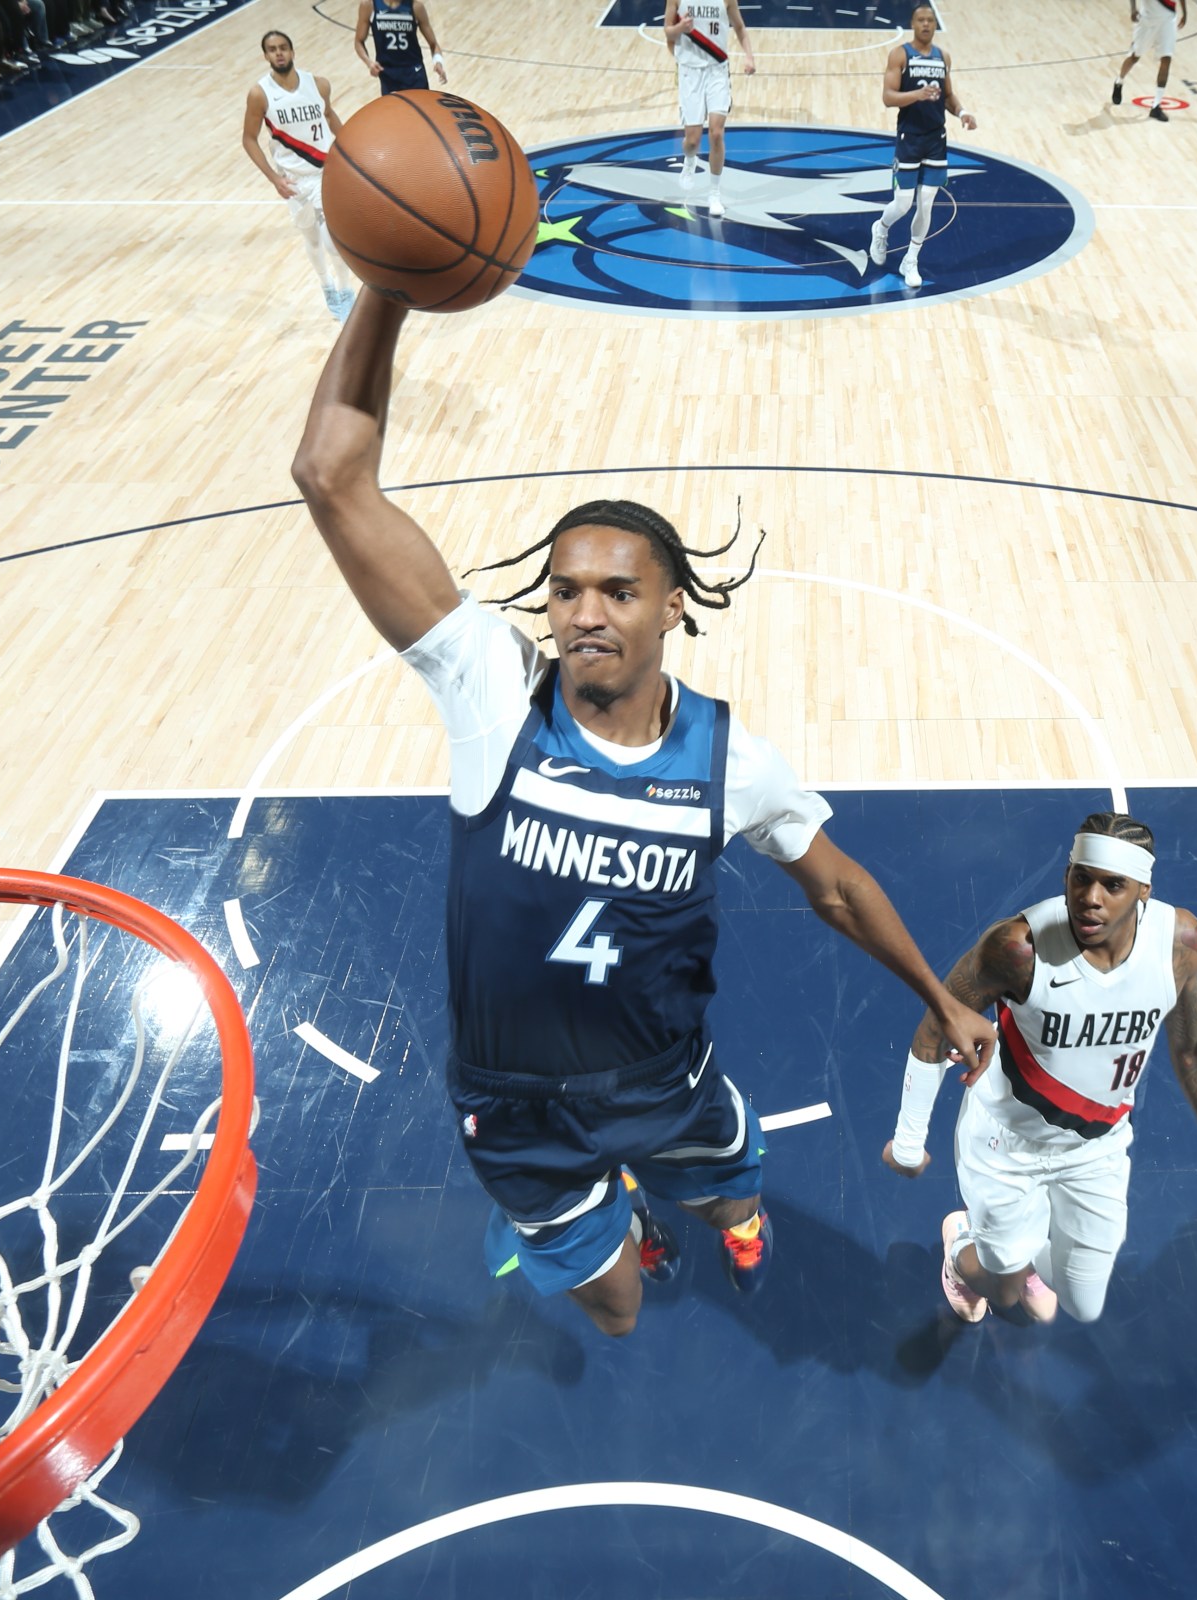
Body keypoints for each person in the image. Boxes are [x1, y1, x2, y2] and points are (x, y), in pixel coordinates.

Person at [289, 297, 998, 1340]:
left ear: (673, 607)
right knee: (618, 1309)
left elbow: (840, 888)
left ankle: (727, 1219)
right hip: (513, 1097)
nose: (585, 613)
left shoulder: (729, 760)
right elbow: (329, 477)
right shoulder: (493, 694)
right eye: (566, 591)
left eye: (619, 592)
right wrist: (388, 288)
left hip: (661, 1075)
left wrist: (939, 997)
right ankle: (618, 1215)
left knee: (730, 1200)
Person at [881, 813, 1197, 1327]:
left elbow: (1193, 1050)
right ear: (1067, 875)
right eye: (1081, 878)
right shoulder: (1017, 950)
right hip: (1005, 1145)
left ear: (1143, 890)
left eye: (1112, 885)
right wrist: (908, 1139)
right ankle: (961, 1252)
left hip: (1097, 1147)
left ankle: (1019, 1250)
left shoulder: (1179, 946)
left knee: (1082, 1304)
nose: (1090, 898)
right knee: (1005, 1293)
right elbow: (937, 1027)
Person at [242, 31, 354, 323]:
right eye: (272, 49)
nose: (278, 53)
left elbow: (329, 115)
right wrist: (273, 179)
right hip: (292, 180)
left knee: (333, 241)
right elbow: (249, 139)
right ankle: (327, 286)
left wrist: (352, 147)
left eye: (283, 48)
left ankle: (345, 291)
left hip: (325, 173)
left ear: (292, 51)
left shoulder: (318, 84)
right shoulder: (260, 94)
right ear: (265, 56)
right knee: (312, 239)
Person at [871, 4, 975, 289]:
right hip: (910, 137)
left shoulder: (943, 57)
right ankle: (881, 228)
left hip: (935, 139)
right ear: (912, 24)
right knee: (903, 204)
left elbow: (948, 95)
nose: (926, 24)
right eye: (921, 20)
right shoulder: (900, 54)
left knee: (926, 203)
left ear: (935, 24)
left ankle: (911, 259)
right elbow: (888, 97)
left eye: (930, 20)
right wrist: (917, 94)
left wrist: (963, 112)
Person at [666, 0, 754, 218]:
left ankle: (714, 193)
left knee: (716, 133)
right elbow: (668, 31)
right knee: (692, 142)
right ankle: (690, 160)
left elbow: (740, 27)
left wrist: (749, 56)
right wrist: (680, 28)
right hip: (689, 71)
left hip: (717, 70)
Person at [354, 0, 444, 96]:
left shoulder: (416, 7)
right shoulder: (369, 5)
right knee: (392, 106)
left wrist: (438, 62)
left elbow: (433, 44)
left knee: (421, 105)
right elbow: (358, 41)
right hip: (388, 75)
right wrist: (369, 63)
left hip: (414, 72)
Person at [1112, 0, 1181, 122]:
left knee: (1166, 58)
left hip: (1168, 18)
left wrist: (1185, 13)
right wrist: (1133, 9)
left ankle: (1156, 106)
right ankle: (1119, 81)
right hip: (1148, 20)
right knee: (1135, 57)